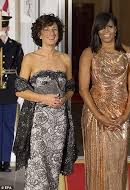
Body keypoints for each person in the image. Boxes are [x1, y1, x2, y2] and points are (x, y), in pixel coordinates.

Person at [13, 14, 76, 190]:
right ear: (39, 34)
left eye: (54, 29)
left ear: (59, 33)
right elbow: (19, 89)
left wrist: (64, 98)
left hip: (59, 122)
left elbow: (71, 87)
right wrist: (44, 98)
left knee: (53, 167)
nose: (51, 33)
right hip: (37, 122)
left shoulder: (65, 59)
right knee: (37, 168)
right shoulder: (30, 58)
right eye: (47, 29)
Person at [79, 12, 130, 190]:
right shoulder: (89, 53)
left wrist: (125, 116)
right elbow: (83, 89)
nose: (106, 31)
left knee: (118, 163)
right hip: (95, 113)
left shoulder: (129, 53)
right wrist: (99, 116)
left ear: (116, 29)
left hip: (121, 114)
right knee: (97, 161)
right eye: (102, 27)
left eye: (110, 27)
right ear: (96, 31)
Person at [0, 12, 23, 172]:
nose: (2, 28)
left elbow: (21, 71)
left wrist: (20, 91)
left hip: (9, 91)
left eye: (3, 25)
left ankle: (5, 160)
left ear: (8, 27)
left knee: (8, 127)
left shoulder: (16, 46)